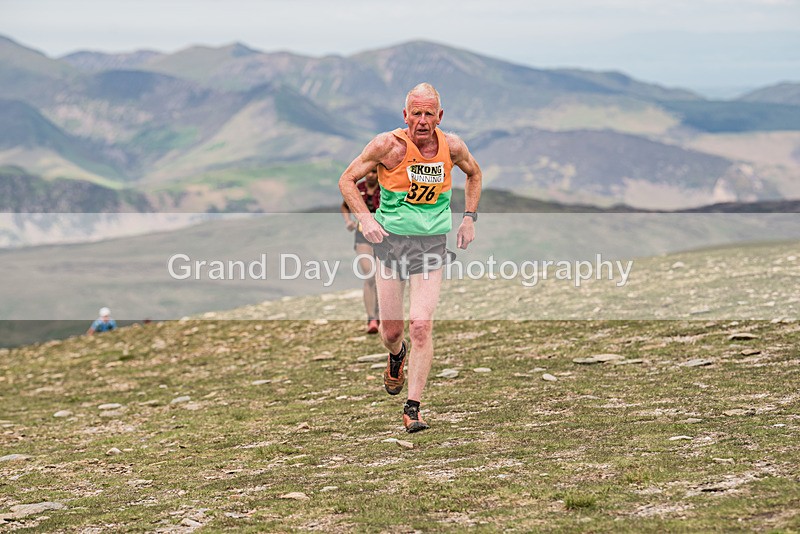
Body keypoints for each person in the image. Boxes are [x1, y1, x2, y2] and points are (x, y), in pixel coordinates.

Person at [339, 83, 482, 433]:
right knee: (392, 331)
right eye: (415, 113)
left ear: (439, 116)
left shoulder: (452, 146)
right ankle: (396, 354)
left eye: (428, 113)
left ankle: (413, 406)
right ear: (405, 115)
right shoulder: (387, 145)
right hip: (390, 244)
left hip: (431, 245)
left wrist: (468, 218)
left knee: (421, 324)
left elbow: (474, 174)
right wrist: (366, 217)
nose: (422, 120)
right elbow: (346, 180)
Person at [340, 168, 381, 334]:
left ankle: (380, 314)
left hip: (383, 236)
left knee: (382, 275)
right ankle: (371, 318)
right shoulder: (358, 188)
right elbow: (345, 206)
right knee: (370, 274)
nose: (371, 175)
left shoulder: (386, 189)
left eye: (374, 172)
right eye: (368, 172)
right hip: (362, 235)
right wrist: (348, 221)